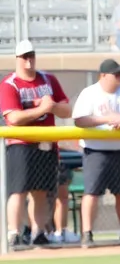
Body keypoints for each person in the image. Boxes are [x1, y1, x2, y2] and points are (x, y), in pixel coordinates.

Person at [1, 40, 72, 250]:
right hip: (21, 144)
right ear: (17, 59)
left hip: (45, 142)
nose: (29, 60)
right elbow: (13, 118)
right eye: (24, 56)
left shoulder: (48, 79)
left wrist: (52, 107)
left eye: (31, 55)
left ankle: (38, 232)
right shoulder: (10, 84)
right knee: (18, 191)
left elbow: (67, 110)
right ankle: (13, 233)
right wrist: (42, 109)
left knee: (41, 192)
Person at [71, 58, 120, 247]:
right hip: (95, 151)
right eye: (116, 74)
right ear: (103, 76)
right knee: (92, 192)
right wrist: (106, 119)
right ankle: (87, 234)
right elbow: (79, 120)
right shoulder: (90, 93)